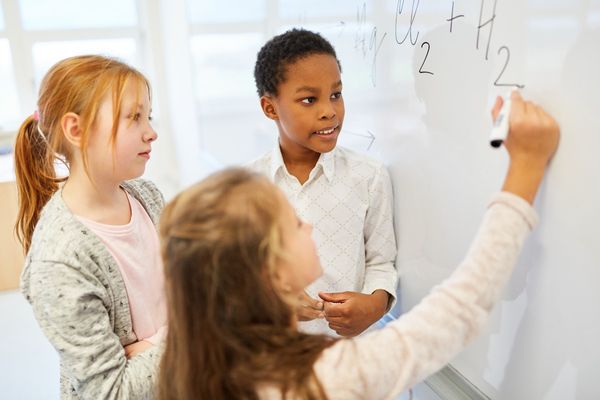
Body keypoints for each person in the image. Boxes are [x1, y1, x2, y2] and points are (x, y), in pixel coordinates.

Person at [157, 90, 560, 399]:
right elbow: (459, 308)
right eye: (295, 224)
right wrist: (524, 169)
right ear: (271, 274)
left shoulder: (204, 363)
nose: (309, 229)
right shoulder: (325, 378)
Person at [14, 55, 166, 399]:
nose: (151, 132)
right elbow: (111, 391)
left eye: (149, 115)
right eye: (134, 118)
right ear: (76, 129)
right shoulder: (59, 261)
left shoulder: (147, 197)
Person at [249, 28, 397, 337]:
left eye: (336, 95)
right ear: (270, 108)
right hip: (276, 361)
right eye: (308, 99)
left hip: (350, 361)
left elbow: (381, 262)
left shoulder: (368, 176)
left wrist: (374, 305)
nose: (329, 111)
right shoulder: (249, 187)